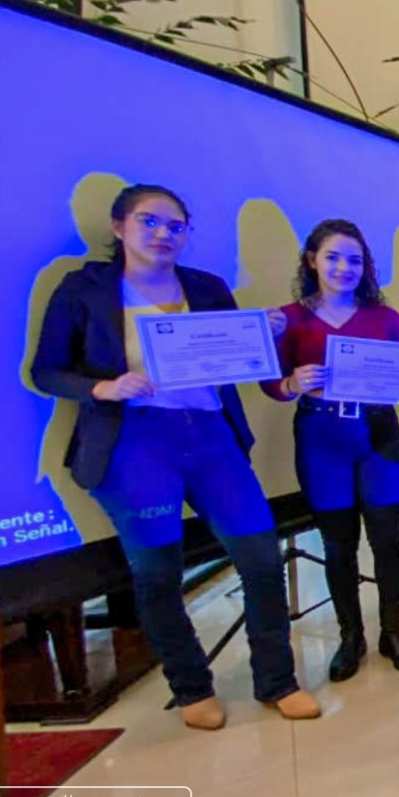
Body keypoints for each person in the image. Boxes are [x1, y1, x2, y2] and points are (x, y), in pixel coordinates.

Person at [31, 183, 320, 729]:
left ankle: (277, 681)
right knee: (157, 574)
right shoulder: (84, 290)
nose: (163, 234)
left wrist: (263, 333)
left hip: (211, 436)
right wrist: (102, 388)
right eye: (150, 222)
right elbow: (45, 371)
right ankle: (191, 690)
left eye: (175, 225)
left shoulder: (206, 288)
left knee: (261, 560)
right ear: (119, 227)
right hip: (134, 445)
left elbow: (241, 362)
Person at [263, 218, 399, 682]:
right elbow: (269, 382)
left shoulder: (386, 318)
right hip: (322, 440)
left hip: (379, 438)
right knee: (338, 545)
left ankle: (392, 632)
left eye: (354, 260)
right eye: (333, 257)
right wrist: (291, 382)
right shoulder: (287, 319)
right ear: (312, 259)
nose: (343, 267)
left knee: (389, 540)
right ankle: (349, 636)